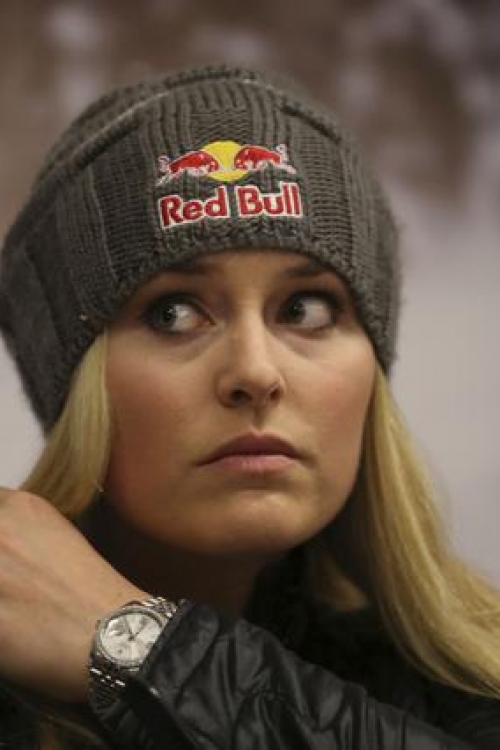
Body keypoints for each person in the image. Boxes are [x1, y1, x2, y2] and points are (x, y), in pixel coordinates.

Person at [0, 64, 498, 750]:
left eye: (305, 309)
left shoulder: (478, 678)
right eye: (174, 313)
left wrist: (143, 653)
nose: (256, 373)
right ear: (72, 383)